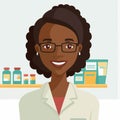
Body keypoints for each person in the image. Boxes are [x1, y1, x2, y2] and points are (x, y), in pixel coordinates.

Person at [19, 4, 99, 120]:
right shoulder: (27, 102)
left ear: (79, 49)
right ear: (37, 49)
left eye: (68, 46)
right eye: (48, 46)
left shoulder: (90, 103)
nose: (58, 54)